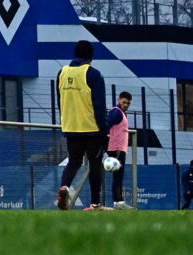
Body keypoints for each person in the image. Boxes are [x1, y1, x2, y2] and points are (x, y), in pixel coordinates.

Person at [53, 40, 109, 211]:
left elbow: (60, 100)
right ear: (91, 56)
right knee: (95, 163)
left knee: (74, 162)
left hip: (71, 126)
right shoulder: (93, 74)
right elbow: (99, 105)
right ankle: (95, 203)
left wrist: (66, 121)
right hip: (91, 127)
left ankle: (64, 187)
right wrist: (104, 130)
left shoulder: (61, 73)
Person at [102, 89, 134, 208]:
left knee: (118, 175)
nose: (126, 105)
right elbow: (106, 125)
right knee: (118, 175)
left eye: (128, 103)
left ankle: (118, 201)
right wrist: (105, 143)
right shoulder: (116, 112)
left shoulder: (120, 112)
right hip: (116, 148)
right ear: (119, 100)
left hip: (119, 148)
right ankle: (118, 202)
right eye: (124, 102)